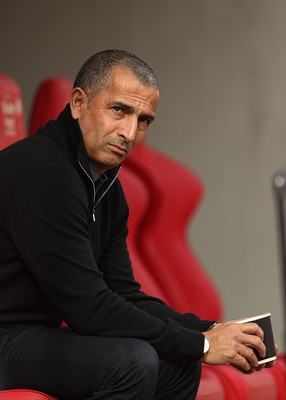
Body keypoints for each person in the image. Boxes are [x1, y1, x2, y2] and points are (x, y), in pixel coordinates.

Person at [0, 50, 276, 400]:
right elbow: (89, 309)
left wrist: (214, 330)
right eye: (119, 110)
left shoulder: (106, 186)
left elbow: (125, 294)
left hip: (31, 338)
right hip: (7, 339)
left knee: (176, 365)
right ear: (78, 103)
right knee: (134, 362)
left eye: (144, 120)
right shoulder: (44, 173)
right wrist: (203, 343)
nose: (129, 132)